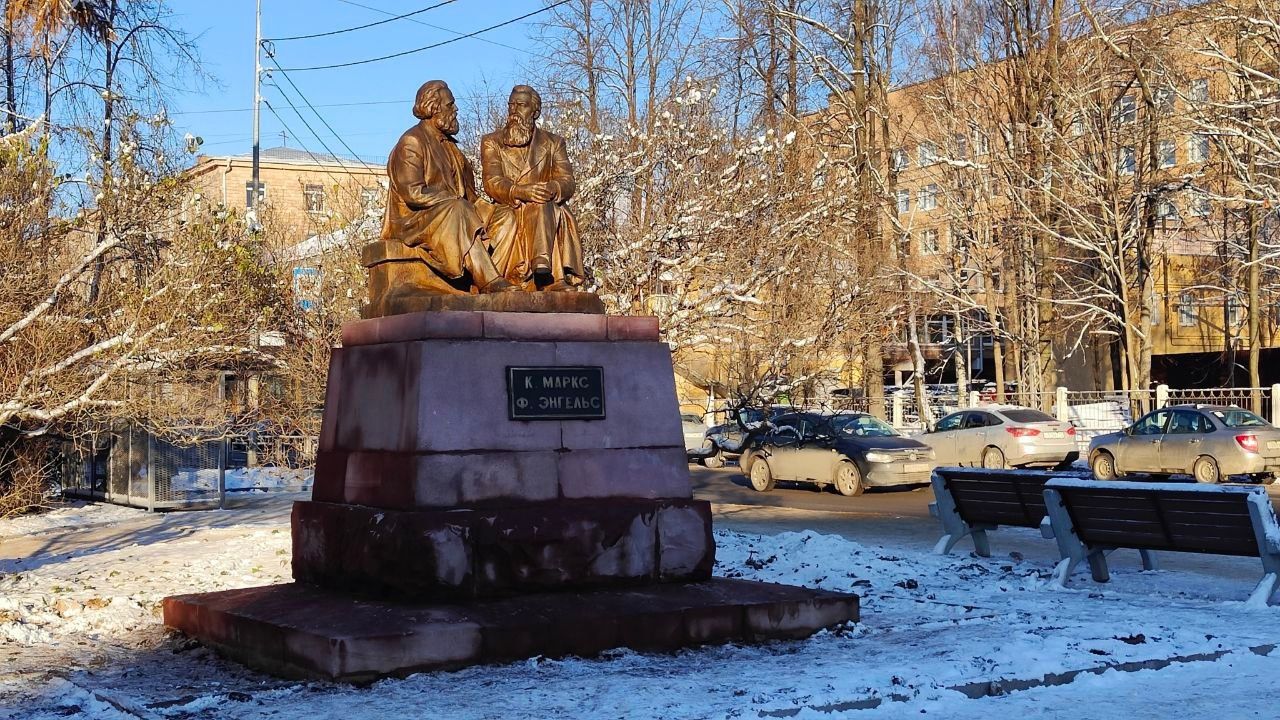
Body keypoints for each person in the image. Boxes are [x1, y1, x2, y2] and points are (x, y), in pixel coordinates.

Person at [381, 79, 516, 293]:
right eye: (450, 105)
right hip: (415, 221)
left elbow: (470, 197)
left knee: (506, 216)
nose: (456, 109)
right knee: (458, 208)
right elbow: (413, 193)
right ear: (434, 108)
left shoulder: (452, 147)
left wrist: (495, 208)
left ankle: (487, 282)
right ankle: (489, 280)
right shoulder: (412, 141)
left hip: (453, 212)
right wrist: (452, 200)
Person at [480, 85, 585, 290]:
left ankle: (545, 269)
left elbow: (567, 180)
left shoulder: (553, 143)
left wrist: (552, 188)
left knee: (544, 203)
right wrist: (521, 191)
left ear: (535, 111)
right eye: (511, 105)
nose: (514, 110)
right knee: (534, 205)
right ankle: (544, 273)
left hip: (546, 208)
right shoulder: (492, 142)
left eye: (521, 105)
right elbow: (492, 182)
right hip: (509, 205)